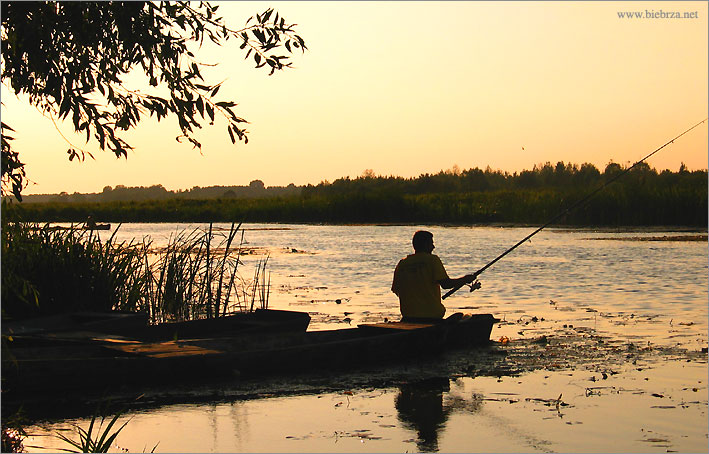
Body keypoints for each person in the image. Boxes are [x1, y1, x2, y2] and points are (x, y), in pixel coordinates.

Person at [391, 230, 478, 322]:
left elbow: (396, 290)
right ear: (425, 244)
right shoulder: (432, 260)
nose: (433, 247)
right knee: (466, 318)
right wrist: (465, 279)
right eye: (431, 243)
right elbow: (446, 284)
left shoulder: (402, 263)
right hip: (431, 317)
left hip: (408, 317)